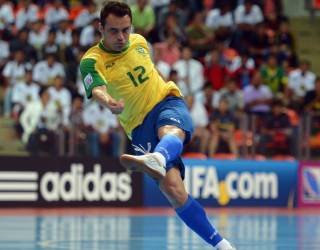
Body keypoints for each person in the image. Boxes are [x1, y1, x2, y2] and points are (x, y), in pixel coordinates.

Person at [79, 2, 235, 250]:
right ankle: (223, 246)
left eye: (125, 30)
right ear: (100, 28)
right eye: (113, 31)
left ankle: (159, 157)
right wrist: (109, 101)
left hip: (166, 101)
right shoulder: (91, 60)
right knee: (174, 190)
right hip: (139, 127)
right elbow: (96, 88)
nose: (121, 37)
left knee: (169, 132)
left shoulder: (140, 42)